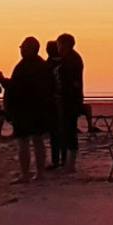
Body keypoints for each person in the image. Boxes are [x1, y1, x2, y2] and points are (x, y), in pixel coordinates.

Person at [6, 36, 55, 182]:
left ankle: (28, 174)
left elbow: (18, 88)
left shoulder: (30, 66)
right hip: (35, 110)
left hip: (28, 110)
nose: (21, 50)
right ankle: (36, 173)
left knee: (26, 142)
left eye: (23, 48)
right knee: (35, 141)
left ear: (31, 49)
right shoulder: (41, 66)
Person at [55, 33, 84, 171]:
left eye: (59, 44)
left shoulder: (71, 60)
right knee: (66, 130)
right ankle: (68, 162)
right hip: (69, 99)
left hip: (69, 100)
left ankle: (70, 164)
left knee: (69, 130)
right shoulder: (68, 59)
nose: (57, 47)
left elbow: (70, 83)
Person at [45, 39, 66, 169]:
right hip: (62, 100)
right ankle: (63, 159)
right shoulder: (65, 62)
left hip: (53, 102)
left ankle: (56, 160)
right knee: (62, 132)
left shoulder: (48, 65)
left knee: (55, 133)